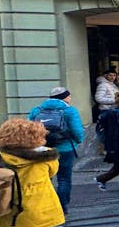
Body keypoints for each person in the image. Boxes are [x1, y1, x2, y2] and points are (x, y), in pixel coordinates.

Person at [28, 87, 84, 215]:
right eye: (69, 96)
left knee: (44, 178)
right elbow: (77, 131)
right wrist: (78, 141)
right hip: (64, 149)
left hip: (42, 149)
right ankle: (61, 208)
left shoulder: (37, 110)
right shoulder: (69, 111)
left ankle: (44, 207)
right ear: (64, 97)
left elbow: (28, 129)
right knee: (64, 178)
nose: (70, 98)